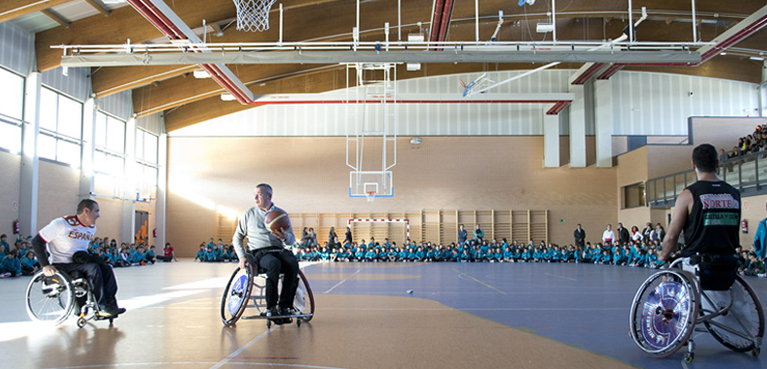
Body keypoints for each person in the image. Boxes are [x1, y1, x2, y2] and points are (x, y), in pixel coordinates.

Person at [659, 144, 741, 290]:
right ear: (717, 163)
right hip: (729, 261)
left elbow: (671, 237)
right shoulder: (734, 193)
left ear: (693, 165)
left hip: (699, 262)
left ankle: (669, 311)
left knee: (668, 266)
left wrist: (663, 255)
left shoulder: (689, 194)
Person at [31, 199, 125, 317]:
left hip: (79, 262)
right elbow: (36, 241)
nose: (98, 215)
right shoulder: (61, 224)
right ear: (86, 211)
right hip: (62, 264)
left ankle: (110, 304)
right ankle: (101, 307)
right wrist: (45, 265)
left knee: (106, 268)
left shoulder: (91, 228)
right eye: (96, 211)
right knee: (93, 268)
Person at [233, 183, 298, 324]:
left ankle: (285, 306)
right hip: (259, 252)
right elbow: (237, 238)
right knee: (273, 264)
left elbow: (291, 240)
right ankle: (271, 306)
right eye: (255, 194)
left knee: (292, 263)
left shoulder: (281, 214)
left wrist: (285, 237)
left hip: (278, 249)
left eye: (259, 195)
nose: (255, 198)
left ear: (269, 196)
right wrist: (242, 256)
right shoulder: (249, 214)